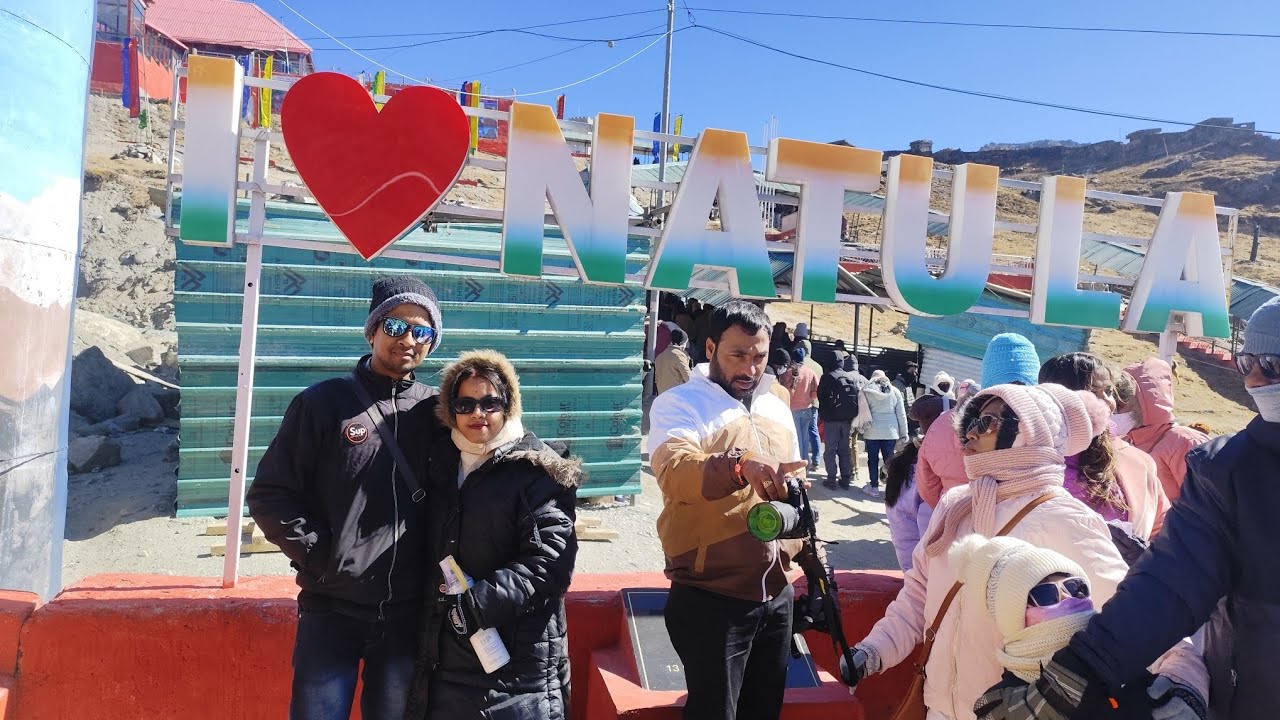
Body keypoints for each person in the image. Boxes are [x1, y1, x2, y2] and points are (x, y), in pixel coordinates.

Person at [974, 297, 1280, 720]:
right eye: (1247, 363)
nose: (1255, 381)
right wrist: (1081, 672)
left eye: (1271, 363)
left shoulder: (1155, 460)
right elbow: (1170, 584)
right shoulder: (1230, 470)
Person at [843, 383, 1195, 720]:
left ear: (1030, 430)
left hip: (1010, 710)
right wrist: (873, 651)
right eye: (969, 422)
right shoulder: (955, 508)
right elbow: (919, 595)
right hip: (938, 707)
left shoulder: (1063, 519)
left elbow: (1132, 616)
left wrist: (1183, 681)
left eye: (987, 422)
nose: (969, 434)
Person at [247, 276, 443, 720]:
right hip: (330, 609)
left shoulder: (438, 411)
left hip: (407, 614)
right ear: (371, 331)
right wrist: (320, 556)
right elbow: (270, 494)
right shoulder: (322, 404)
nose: (407, 340)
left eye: (421, 331)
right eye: (394, 327)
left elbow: (492, 441)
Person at [648, 300, 815, 720]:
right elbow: (676, 471)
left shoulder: (775, 405)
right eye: (737, 355)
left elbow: (793, 494)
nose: (750, 368)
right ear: (710, 348)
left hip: (777, 596)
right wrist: (740, 466)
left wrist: (811, 559)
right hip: (711, 598)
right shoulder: (679, 404)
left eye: (758, 356)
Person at [406, 351, 581, 719]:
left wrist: (476, 606)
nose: (477, 414)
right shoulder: (440, 463)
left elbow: (550, 561)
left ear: (509, 405)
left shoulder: (538, 469)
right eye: (465, 403)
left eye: (490, 402)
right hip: (445, 662)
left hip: (517, 671)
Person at [953, 536, 1157, 719]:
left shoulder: (1119, 658)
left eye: (1076, 587)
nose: (1068, 597)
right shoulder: (1002, 703)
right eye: (1046, 594)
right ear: (1013, 616)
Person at [1038, 353, 1169, 547]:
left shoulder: (1140, 463)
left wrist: (1143, 554)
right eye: (1094, 391)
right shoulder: (1032, 461)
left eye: (1109, 391)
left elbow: (1164, 529)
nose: (1108, 402)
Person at [917, 333, 1041, 509]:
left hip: (956, 519)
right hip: (1020, 522)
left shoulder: (943, 423)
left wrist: (948, 507)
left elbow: (926, 483)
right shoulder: (1041, 425)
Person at [1121, 357, 1209, 502]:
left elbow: (1208, 503)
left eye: (1124, 400)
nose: (1115, 406)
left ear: (1146, 402)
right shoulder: (1126, 439)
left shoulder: (1184, 441)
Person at [884, 394, 944, 570]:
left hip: (908, 558)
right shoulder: (927, 473)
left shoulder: (905, 461)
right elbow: (930, 532)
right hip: (923, 567)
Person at [855, 370, 908, 497]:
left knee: (872, 459)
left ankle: (874, 487)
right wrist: (904, 433)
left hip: (872, 431)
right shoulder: (895, 391)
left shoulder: (866, 391)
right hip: (890, 432)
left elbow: (861, 411)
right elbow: (901, 414)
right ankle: (890, 488)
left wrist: (859, 428)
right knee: (889, 460)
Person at [818, 350, 864, 490]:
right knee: (844, 449)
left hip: (831, 419)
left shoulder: (828, 377)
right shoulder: (849, 377)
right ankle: (845, 478)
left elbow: (821, 397)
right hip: (847, 419)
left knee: (830, 449)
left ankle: (831, 479)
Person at [781, 346, 822, 471]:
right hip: (807, 409)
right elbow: (816, 392)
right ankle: (805, 463)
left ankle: (798, 465)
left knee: (796, 439)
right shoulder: (810, 372)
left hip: (792, 410)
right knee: (804, 438)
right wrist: (809, 398)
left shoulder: (786, 373)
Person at [655, 327, 692, 395]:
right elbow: (688, 378)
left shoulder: (659, 357)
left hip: (662, 397)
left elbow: (656, 380)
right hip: (676, 396)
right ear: (683, 342)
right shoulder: (679, 355)